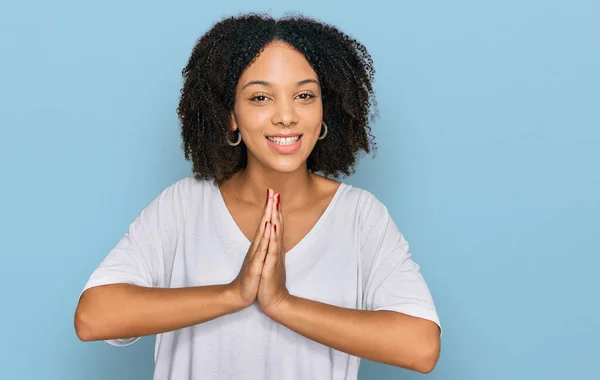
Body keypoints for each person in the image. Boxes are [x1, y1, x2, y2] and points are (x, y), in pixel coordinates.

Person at [74, 12, 442, 380]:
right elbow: (93, 316)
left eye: (304, 95)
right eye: (261, 97)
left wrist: (282, 303)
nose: (286, 116)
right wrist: (232, 294)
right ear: (230, 115)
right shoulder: (184, 206)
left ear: (323, 108)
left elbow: (421, 347)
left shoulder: (360, 217)